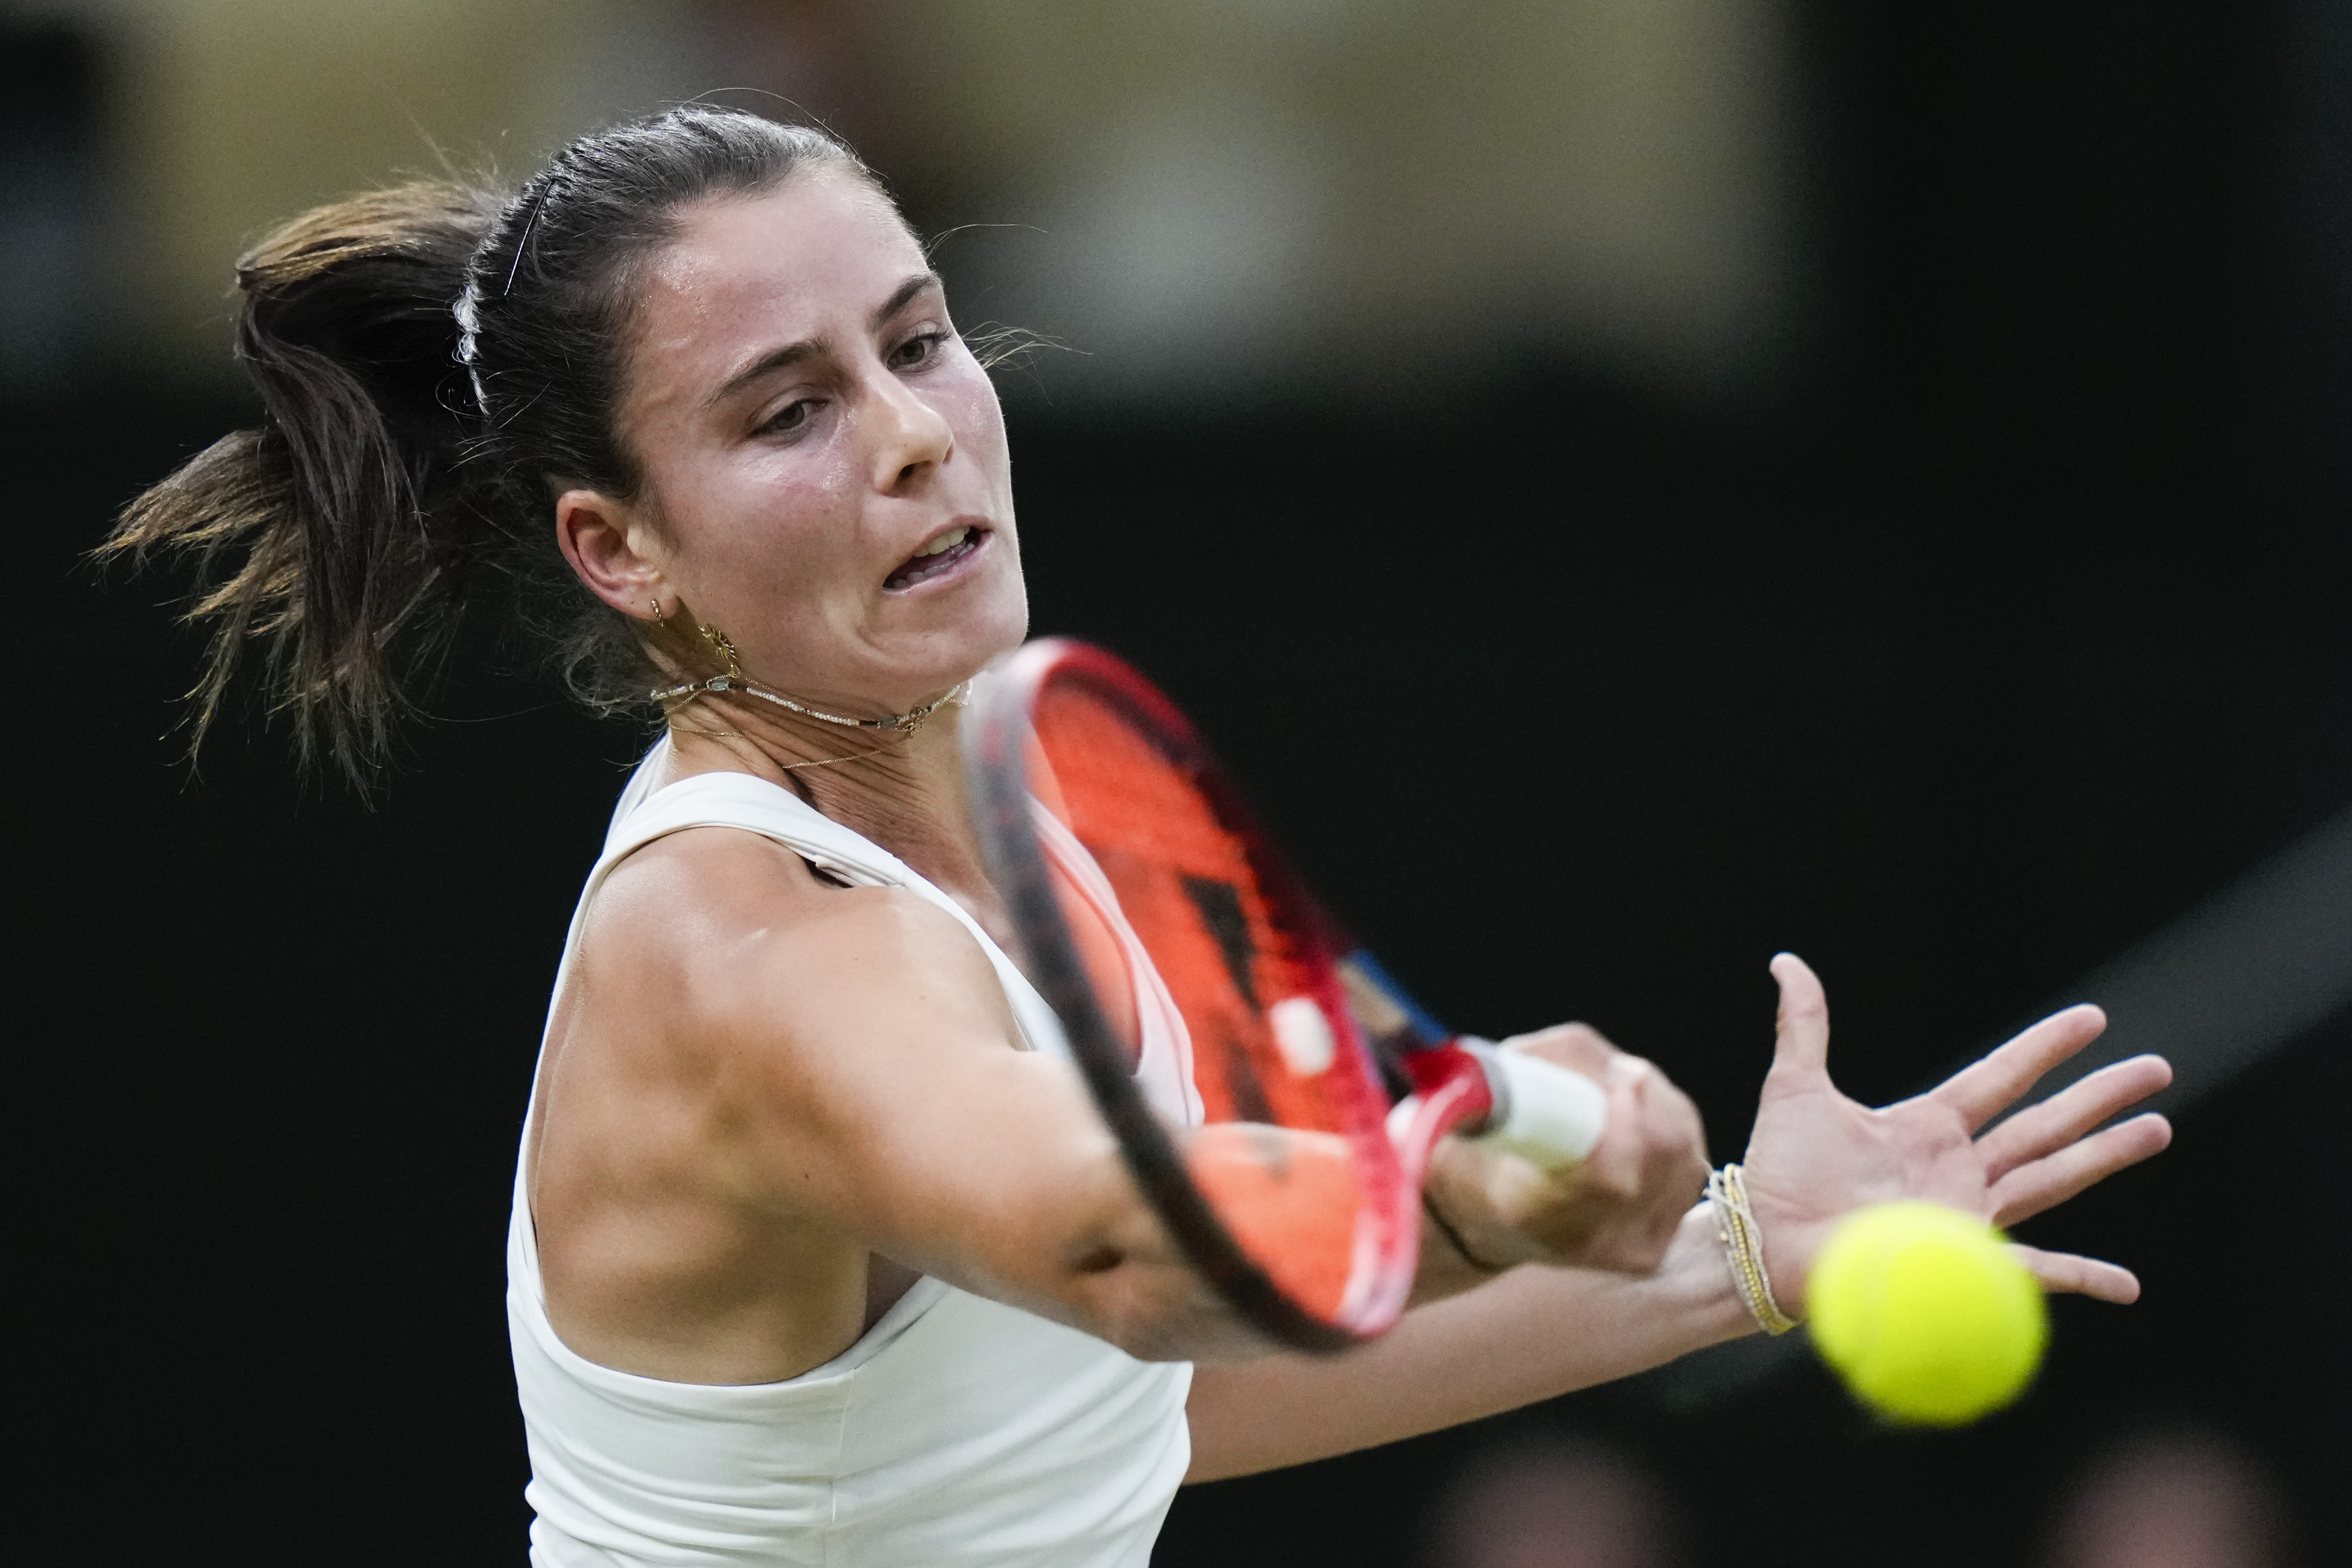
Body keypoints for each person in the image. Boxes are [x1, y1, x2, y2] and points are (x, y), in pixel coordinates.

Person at [106, 108, 2174, 1567]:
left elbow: (1125, 1419)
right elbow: (1113, 1249)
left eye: (914, 340)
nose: (916, 426)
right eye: (786, 410)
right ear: (617, 551)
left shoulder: (1022, 805)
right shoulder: (743, 953)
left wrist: (1734, 1256)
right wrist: (1454, 1178)